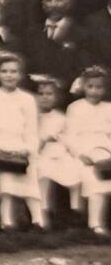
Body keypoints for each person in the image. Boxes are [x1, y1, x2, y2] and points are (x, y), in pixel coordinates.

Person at [0, 52, 42, 231]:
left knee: (30, 179)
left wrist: (29, 149)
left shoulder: (27, 99)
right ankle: (6, 221)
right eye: (4, 71)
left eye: (14, 71)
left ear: (20, 75)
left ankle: (38, 220)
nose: (9, 75)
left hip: (22, 143)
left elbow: (32, 128)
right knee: (6, 182)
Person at [64, 66, 111, 236]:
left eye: (99, 87)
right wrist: (80, 153)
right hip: (82, 151)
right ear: (83, 86)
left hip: (105, 150)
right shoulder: (75, 108)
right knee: (93, 179)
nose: (94, 91)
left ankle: (101, 220)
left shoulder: (108, 108)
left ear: (104, 89)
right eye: (90, 86)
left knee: (104, 173)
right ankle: (95, 224)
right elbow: (70, 136)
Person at [33, 74, 82, 230]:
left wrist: (75, 152)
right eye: (41, 94)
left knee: (76, 169)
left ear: (57, 97)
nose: (45, 98)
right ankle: (43, 213)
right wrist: (43, 140)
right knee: (43, 172)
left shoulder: (61, 118)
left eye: (49, 94)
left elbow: (69, 138)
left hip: (60, 154)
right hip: (41, 154)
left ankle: (76, 210)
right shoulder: (33, 117)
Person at [24, 0, 94, 84]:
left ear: (69, 3)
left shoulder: (81, 34)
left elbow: (84, 69)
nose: (53, 5)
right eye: (49, 0)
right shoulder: (31, 34)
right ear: (43, 4)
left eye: (59, 0)